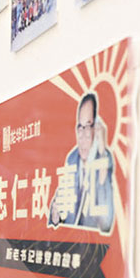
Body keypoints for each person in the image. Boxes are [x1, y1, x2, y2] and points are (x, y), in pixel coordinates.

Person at [49, 92, 115, 234]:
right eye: (80, 127)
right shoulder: (72, 159)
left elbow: (106, 222)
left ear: (96, 128)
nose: (83, 135)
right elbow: (54, 219)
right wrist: (56, 217)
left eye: (88, 126)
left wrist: (102, 151)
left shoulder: (103, 159)